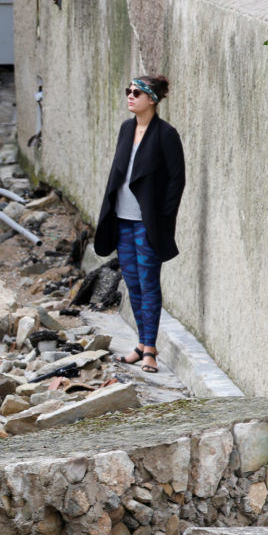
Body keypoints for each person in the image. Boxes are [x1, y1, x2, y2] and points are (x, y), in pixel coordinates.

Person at [93, 75, 185, 374]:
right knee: (132, 284)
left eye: (137, 92)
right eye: (128, 91)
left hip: (147, 224)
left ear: (152, 100)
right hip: (121, 220)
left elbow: (176, 180)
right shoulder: (126, 128)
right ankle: (140, 345)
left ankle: (150, 350)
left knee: (148, 284)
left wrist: (163, 217)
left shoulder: (166, 134)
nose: (130, 96)